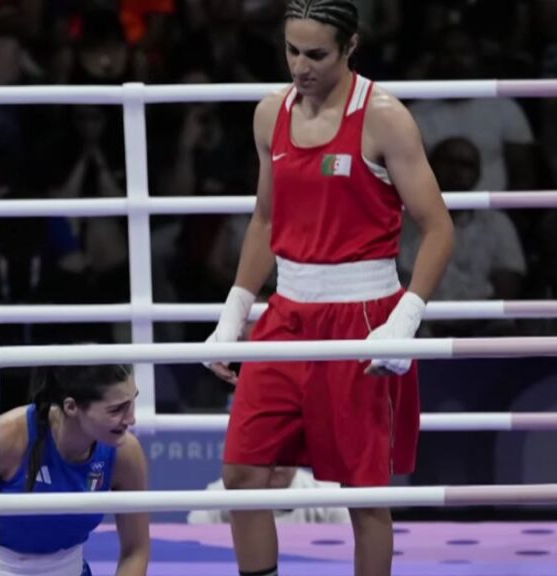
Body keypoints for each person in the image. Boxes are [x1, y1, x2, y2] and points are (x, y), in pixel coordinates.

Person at [205, 2, 455, 576]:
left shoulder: (384, 117)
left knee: (363, 494)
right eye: (292, 51)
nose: (300, 66)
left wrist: (404, 320)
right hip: (286, 315)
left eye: (316, 54)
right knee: (243, 475)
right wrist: (234, 311)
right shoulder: (271, 114)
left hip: (363, 316)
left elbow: (439, 227)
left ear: (349, 47)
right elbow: (266, 219)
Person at [0, 363, 151, 576]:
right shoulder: (8, 437)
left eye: (132, 402)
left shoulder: (125, 453)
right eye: (117, 409)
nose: (131, 419)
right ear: (72, 407)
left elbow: (136, 549)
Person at [187, 466, 350, 525]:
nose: (277, 464)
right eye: (271, 454)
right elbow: (196, 527)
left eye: (285, 453)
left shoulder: (328, 494)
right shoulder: (220, 496)